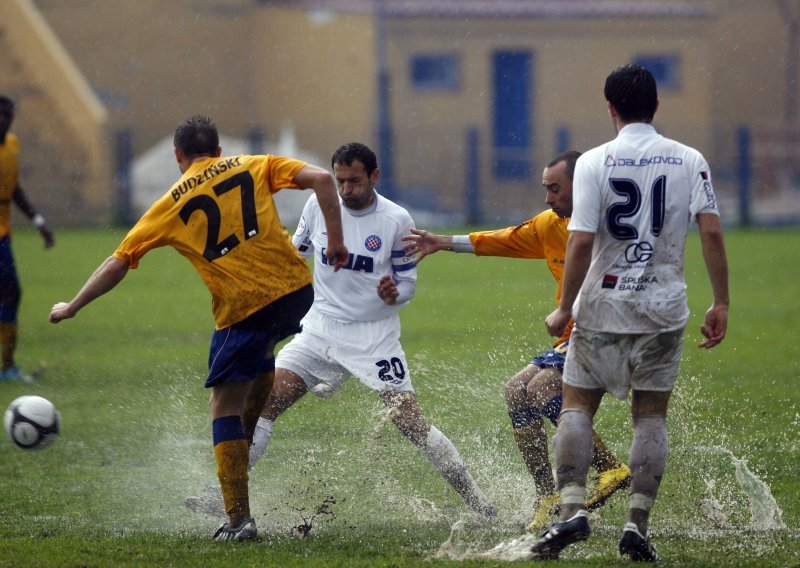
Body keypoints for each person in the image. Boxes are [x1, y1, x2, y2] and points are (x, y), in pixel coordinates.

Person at [49, 115, 349, 542]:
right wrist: (335, 242)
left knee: (223, 407)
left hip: (244, 308)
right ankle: (234, 478)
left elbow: (119, 261)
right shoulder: (253, 163)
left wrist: (74, 305)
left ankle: (237, 519)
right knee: (256, 374)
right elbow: (322, 178)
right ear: (218, 151)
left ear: (178, 157)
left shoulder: (170, 202)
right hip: (298, 293)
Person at [188, 142, 496, 519]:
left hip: (374, 337)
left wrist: (393, 293)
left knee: (410, 422)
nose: (346, 190)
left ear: (374, 176)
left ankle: (480, 503)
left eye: (354, 181)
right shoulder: (318, 204)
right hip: (319, 329)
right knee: (262, 404)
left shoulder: (396, 219)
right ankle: (227, 497)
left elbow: (407, 282)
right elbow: (295, 252)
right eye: (340, 181)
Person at [530, 64, 728, 562]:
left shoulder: (595, 161)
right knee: (650, 418)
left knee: (576, 407)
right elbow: (710, 233)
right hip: (662, 308)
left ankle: (572, 510)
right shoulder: (689, 159)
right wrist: (720, 300)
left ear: (611, 109)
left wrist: (563, 307)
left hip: (602, 305)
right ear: (656, 106)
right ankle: (636, 525)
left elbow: (578, 242)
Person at [402, 150, 630, 532]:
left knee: (541, 388)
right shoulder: (549, 224)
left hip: (613, 331)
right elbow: (503, 239)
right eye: (546, 188)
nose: (547, 197)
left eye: (555, 189)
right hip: (576, 335)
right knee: (515, 391)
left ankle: (610, 468)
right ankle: (548, 496)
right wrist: (442, 241)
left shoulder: (609, 225)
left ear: (583, 185)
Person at [0, 96, 55, 382]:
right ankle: (6, 367)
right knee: (10, 292)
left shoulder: (12, 144)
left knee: (11, 293)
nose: (3, 120)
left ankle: (7, 366)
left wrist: (38, 221)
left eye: (7, 115)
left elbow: (14, 188)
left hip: (3, 234)